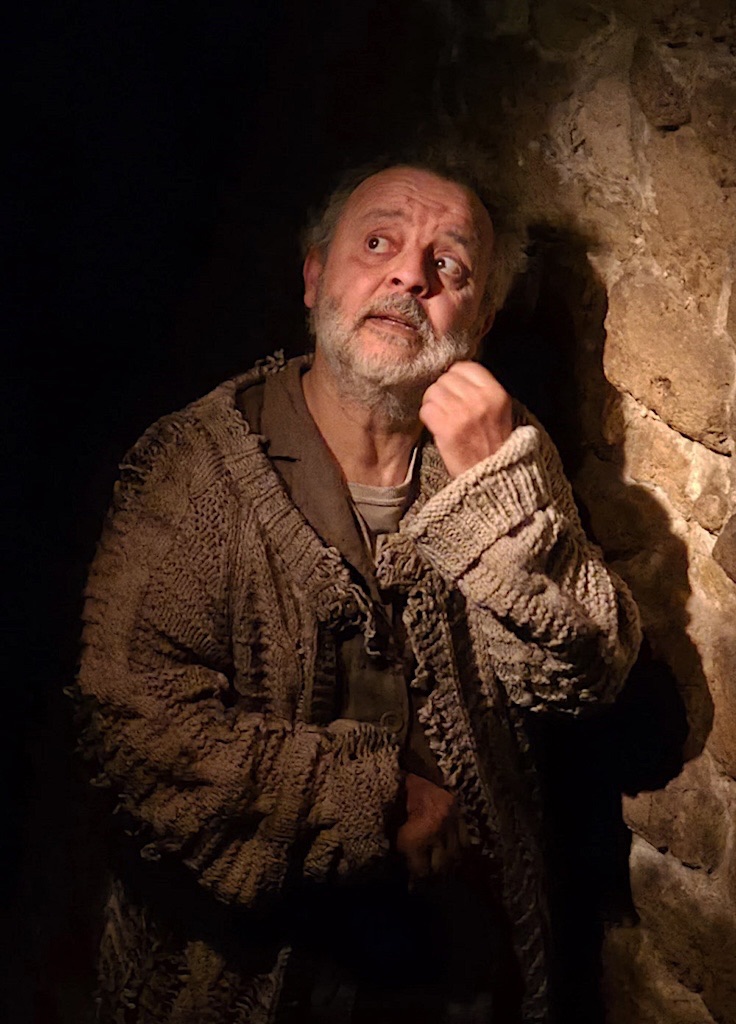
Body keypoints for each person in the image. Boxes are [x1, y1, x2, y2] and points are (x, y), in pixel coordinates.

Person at [76, 158, 641, 1024]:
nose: (410, 276)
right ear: (314, 278)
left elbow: (586, 673)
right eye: (378, 243)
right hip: (243, 978)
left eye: (449, 265)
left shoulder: (505, 452)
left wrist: (493, 491)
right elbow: (133, 730)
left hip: (453, 976)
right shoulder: (195, 467)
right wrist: (377, 801)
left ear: (480, 322)